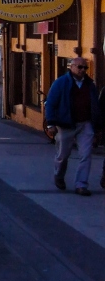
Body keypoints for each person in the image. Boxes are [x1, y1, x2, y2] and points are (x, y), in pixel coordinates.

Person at [44, 57, 103, 196]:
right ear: (71, 67)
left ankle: (81, 185)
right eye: (80, 67)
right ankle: (59, 175)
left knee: (86, 155)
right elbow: (51, 103)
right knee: (63, 155)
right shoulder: (61, 83)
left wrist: (98, 126)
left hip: (85, 124)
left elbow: (95, 105)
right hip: (66, 125)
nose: (83, 70)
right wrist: (51, 124)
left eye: (85, 68)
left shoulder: (90, 85)